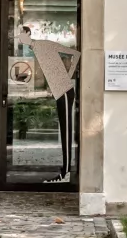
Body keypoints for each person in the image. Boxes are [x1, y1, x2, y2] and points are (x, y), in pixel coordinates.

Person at [18, 25, 79, 182]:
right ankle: (64, 172)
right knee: (64, 129)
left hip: (64, 91)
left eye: (21, 34)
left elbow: (75, 54)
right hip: (59, 90)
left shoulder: (43, 45)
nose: (19, 37)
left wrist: (68, 77)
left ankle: (65, 173)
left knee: (66, 131)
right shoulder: (35, 49)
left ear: (28, 33)